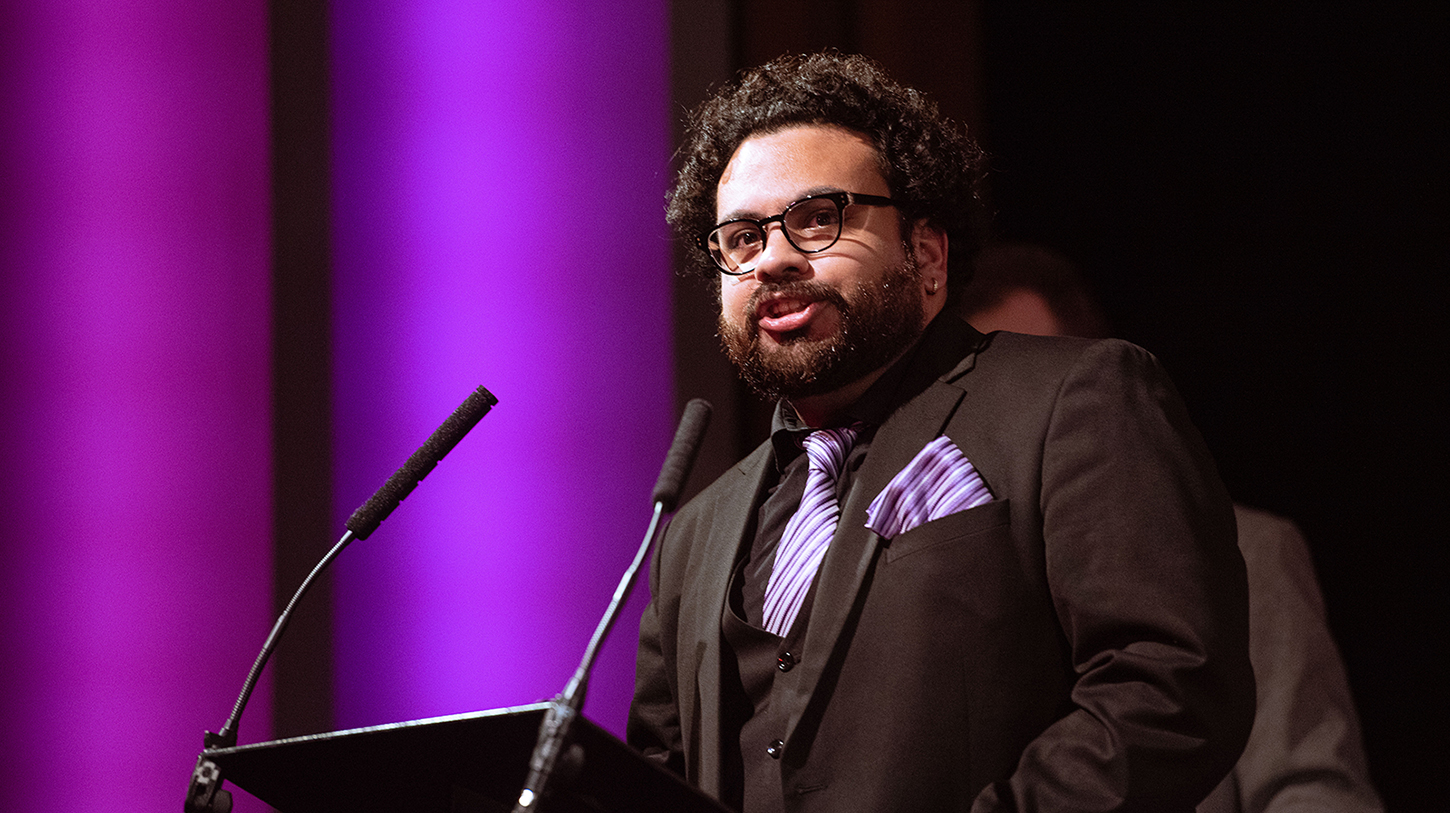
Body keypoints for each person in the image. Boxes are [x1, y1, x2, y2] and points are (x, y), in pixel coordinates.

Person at [628, 52, 1255, 812]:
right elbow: (655, 774)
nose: (773, 260)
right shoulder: (695, 531)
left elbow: (1168, 684)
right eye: (742, 239)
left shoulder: (1073, 399)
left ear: (926, 253)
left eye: (818, 219)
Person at [963, 241, 1385, 813]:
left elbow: (1313, 791)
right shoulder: (931, 574)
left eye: (1036, 378)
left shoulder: (1249, 551)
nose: (1017, 414)